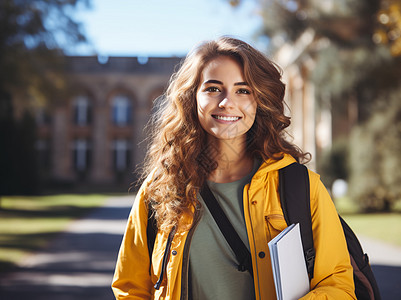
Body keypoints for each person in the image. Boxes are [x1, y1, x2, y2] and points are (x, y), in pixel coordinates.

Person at [112, 36, 356, 300]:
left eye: (243, 90)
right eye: (213, 88)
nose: (227, 102)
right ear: (191, 98)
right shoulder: (159, 189)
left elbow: (338, 285)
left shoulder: (301, 186)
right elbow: (130, 288)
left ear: (259, 100)